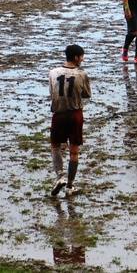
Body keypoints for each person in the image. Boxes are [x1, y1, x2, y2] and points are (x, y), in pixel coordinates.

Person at [48, 44, 91, 198]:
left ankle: (60, 177)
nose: (83, 59)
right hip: (75, 115)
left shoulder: (52, 72)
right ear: (76, 58)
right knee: (74, 151)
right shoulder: (82, 74)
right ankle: (70, 185)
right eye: (82, 57)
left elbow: (52, 92)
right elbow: (86, 94)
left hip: (58, 114)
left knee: (55, 146)